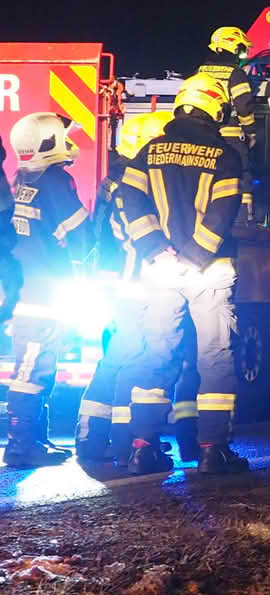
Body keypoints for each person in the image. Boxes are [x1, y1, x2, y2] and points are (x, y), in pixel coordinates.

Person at [114, 73, 250, 475]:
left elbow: (130, 199)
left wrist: (156, 248)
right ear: (216, 108)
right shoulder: (224, 154)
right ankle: (213, 450)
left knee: (156, 354)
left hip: (161, 270)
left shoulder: (150, 151)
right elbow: (223, 212)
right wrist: (195, 253)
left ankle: (143, 448)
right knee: (214, 357)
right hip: (207, 272)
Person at [75, 111, 180, 465]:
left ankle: (91, 437)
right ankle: (123, 442)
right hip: (137, 285)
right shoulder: (131, 187)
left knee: (115, 359)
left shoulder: (113, 184)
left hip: (118, 285)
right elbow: (139, 239)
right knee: (137, 361)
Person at [0, 114, 91, 468]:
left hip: (25, 287)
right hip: (44, 291)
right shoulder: (55, 181)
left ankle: (34, 441)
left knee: (38, 364)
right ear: (49, 141)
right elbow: (80, 232)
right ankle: (23, 446)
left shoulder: (21, 179)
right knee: (33, 367)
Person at [198, 26, 263, 220]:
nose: (243, 54)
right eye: (242, 49)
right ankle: (242, 220)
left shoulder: (200, 71)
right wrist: (252, 132)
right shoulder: (235, 73)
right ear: (234, 47)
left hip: (204, 136)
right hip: (230, 138)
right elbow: (244, 106)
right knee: (241, 177)